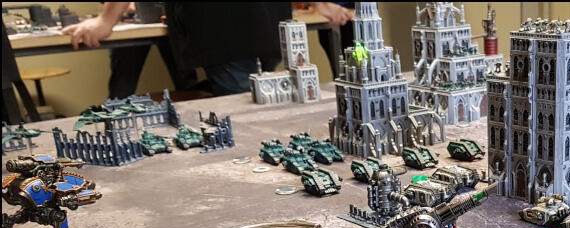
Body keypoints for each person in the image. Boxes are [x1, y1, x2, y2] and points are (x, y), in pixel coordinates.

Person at [63, 2, 354, 96]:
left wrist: (106, 20)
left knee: (245, 115)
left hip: (225, 29)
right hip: (264, 24)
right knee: (258, 104)